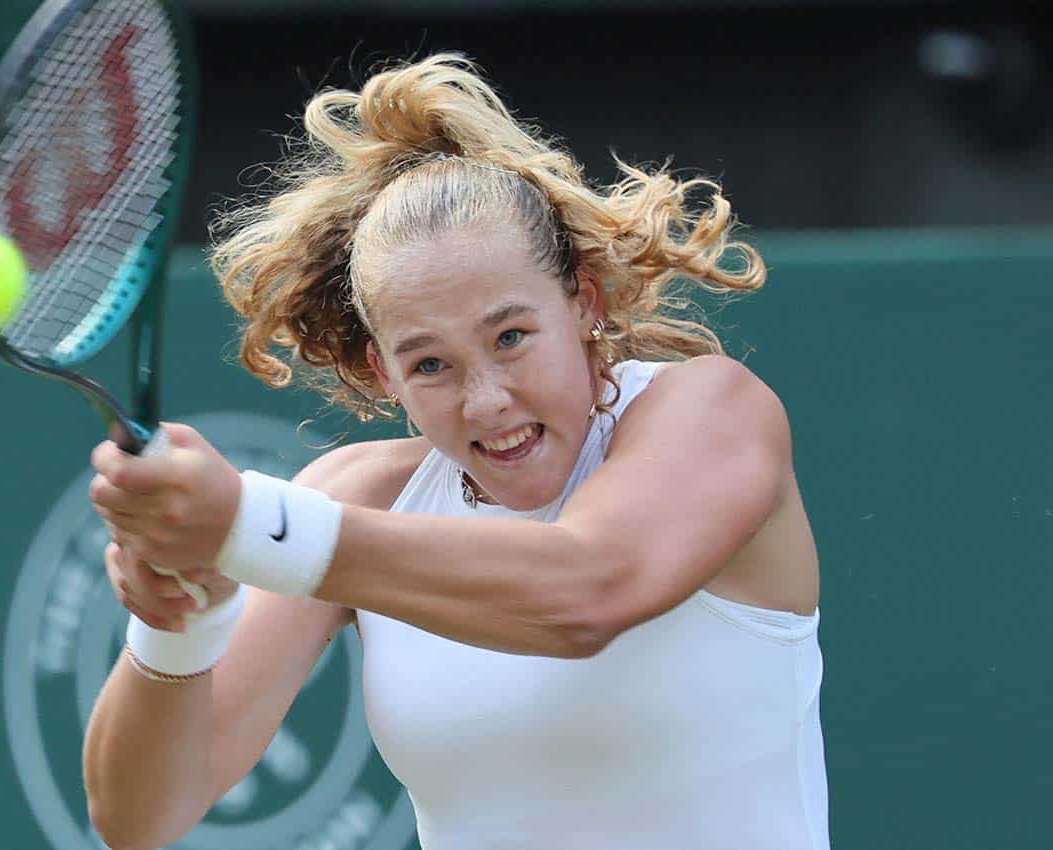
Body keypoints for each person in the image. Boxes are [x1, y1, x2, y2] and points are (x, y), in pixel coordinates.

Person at [82, 53, 828, 850]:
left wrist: (245, 526)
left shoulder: (713, 411)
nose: (486, 400)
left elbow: (588, 589)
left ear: (583, 302)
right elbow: (140, 819)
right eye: (430, 365)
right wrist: (175, 624)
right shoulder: (355, 498)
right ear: (385, 374)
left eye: (511, 337)